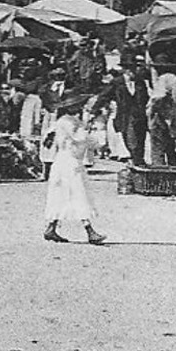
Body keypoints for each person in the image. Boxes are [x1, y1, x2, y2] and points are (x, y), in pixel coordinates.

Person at [43, 94, 106, 245]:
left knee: (61, 195)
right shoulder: (70, 122)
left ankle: (51, 228)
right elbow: (83, 139)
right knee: (78, 194)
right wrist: (94, 132)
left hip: (63, 162)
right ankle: (90, 231)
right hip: (70, 163)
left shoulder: (63, 121)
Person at [147, 60, 176, 166]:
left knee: (157, 146)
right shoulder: (175, 79)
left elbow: (160, 96)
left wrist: (151, 108)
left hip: (161, 116)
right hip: (172, 115)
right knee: (170, 147)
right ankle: (174, 168)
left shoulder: (164, 79)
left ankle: (159, 170)